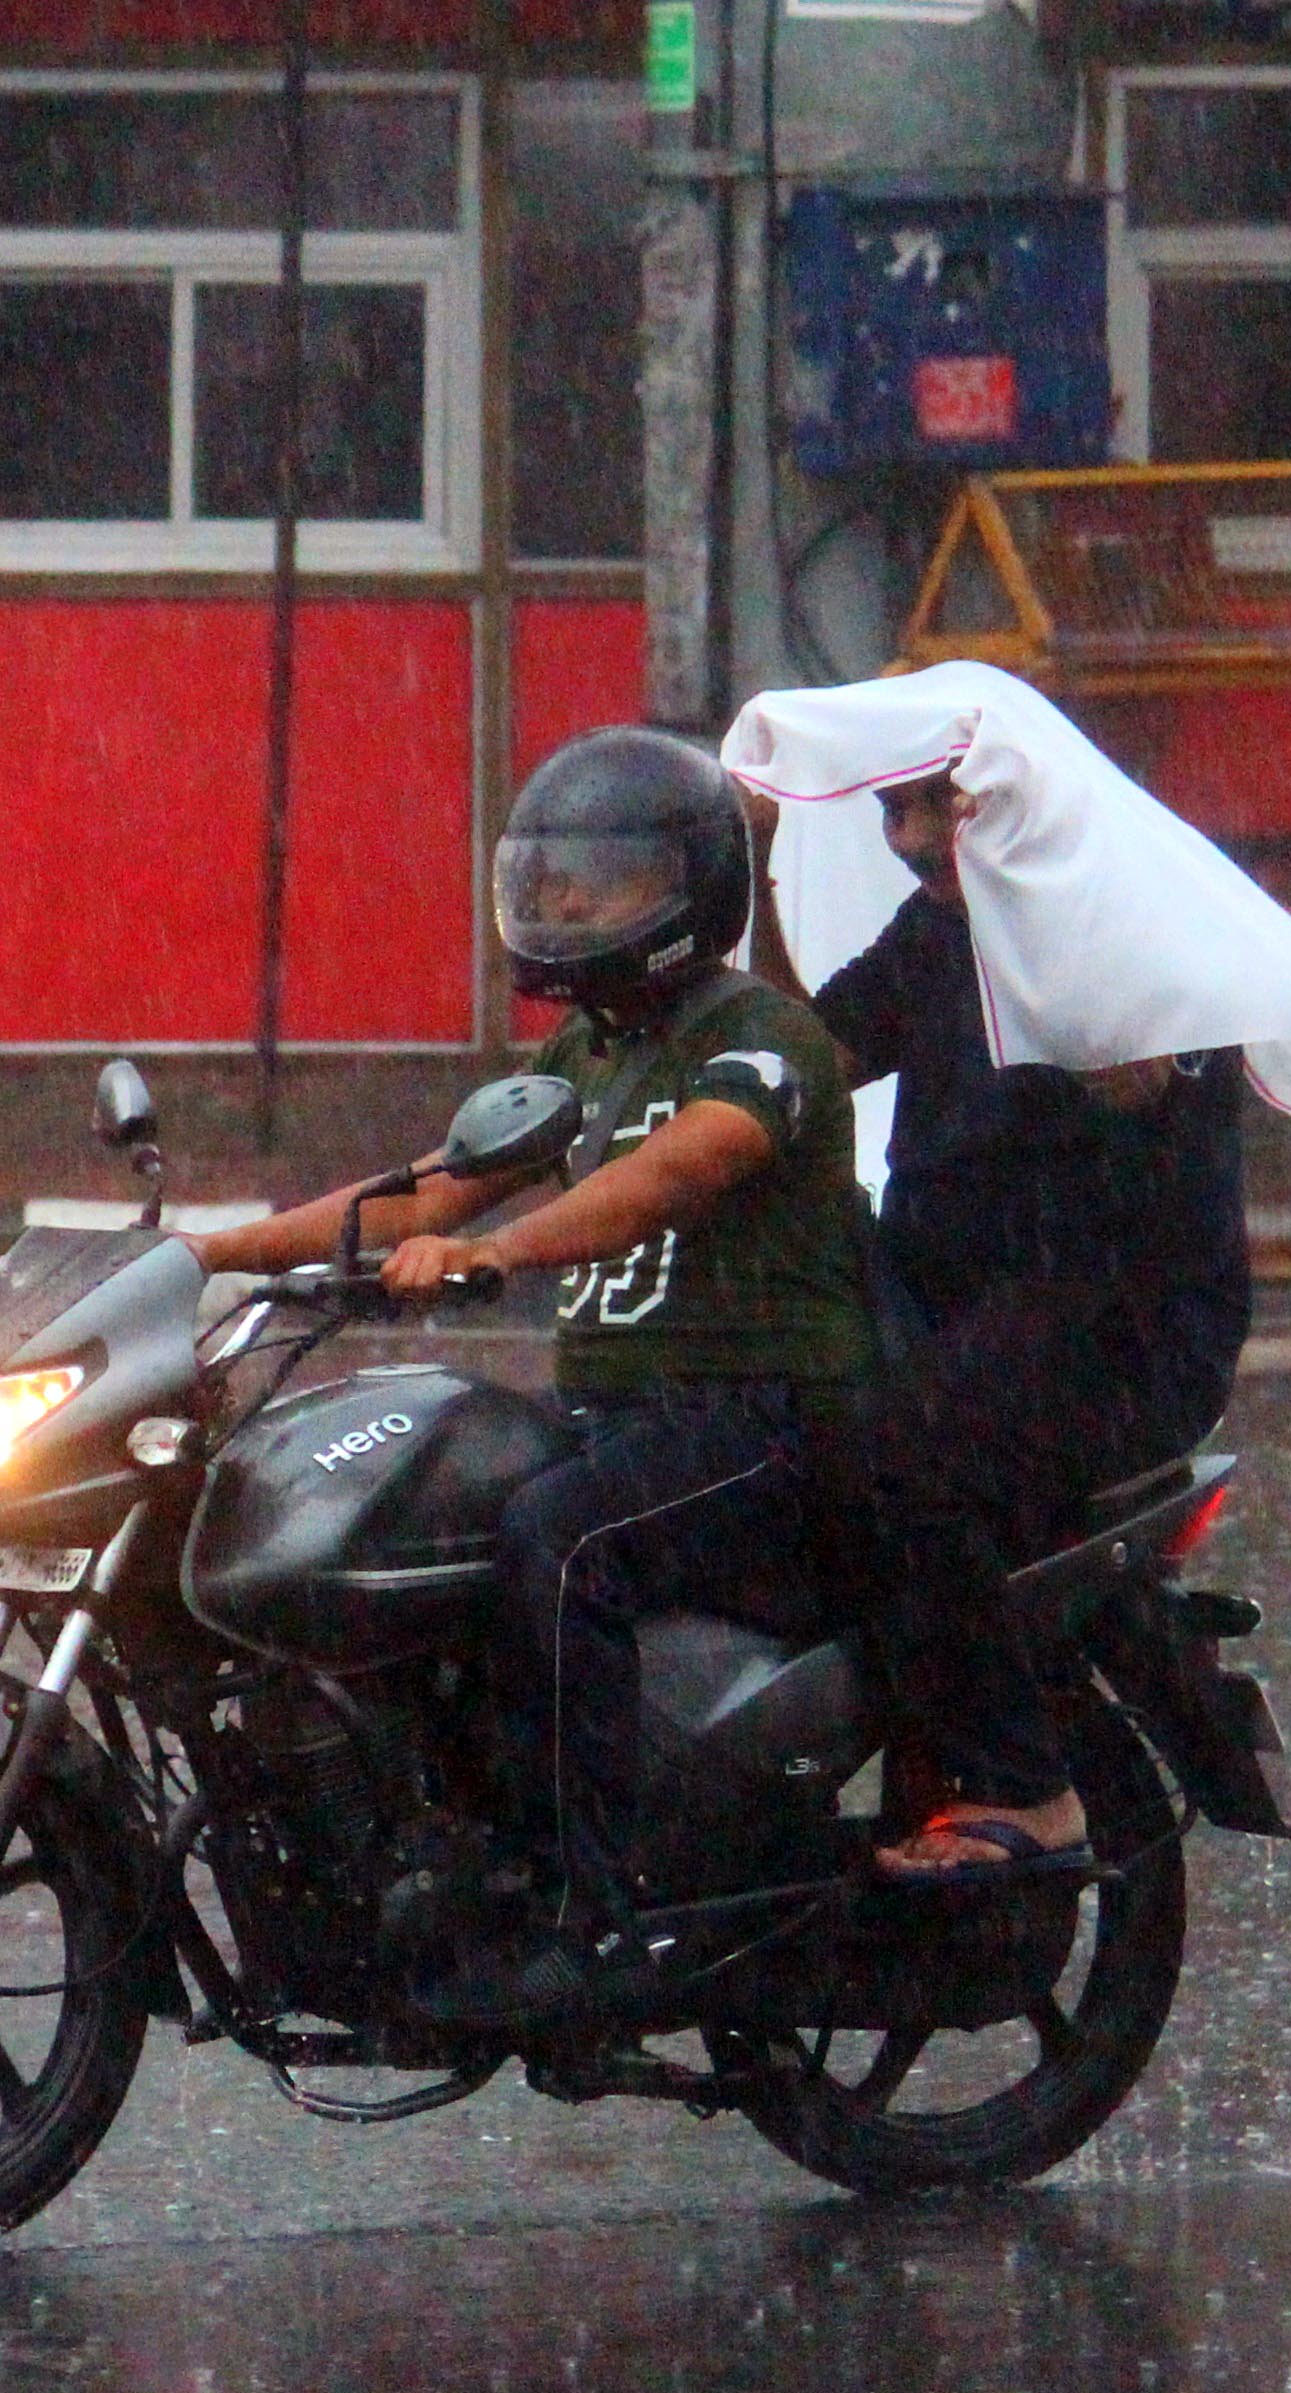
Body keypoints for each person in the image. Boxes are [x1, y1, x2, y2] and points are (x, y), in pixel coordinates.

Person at [192, 727, 875, 2013]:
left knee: (560, 1543)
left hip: (769, 1418)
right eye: (552, 880)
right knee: (431, 1505)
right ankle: (463, 1849)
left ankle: (597, 1919)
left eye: (602, 884)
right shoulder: (587, 1056)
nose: (565, 907)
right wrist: (208, 1255)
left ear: (692, 892)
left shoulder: (767, 1038)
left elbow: (666, 1177)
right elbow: (426, 1186)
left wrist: (490, 1253)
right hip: (623, 1413)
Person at [801, 768, 1250, 1884]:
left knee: (906, 1457)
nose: (909, 842)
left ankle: (1026, 1786)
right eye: (890, 817)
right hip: (957, 1309)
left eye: (931, 812)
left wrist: (1066, 968)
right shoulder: (935, 928)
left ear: (1012, 803)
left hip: (1113, 1328)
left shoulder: (1130, 919)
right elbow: (806, 1061)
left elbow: (1142, 1077)